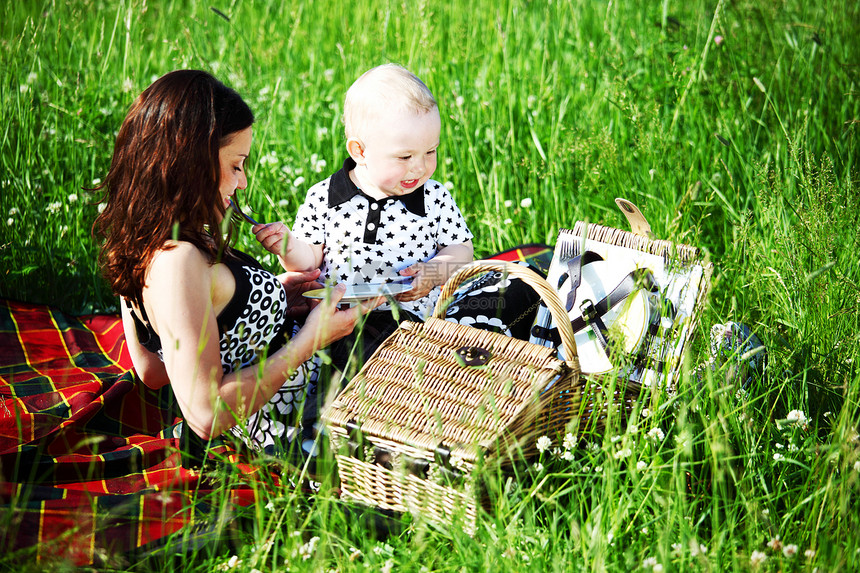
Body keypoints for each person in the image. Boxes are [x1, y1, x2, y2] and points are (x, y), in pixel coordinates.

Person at [93, 69, 381, 466]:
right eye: (236, 165)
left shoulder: (145, 239)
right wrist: (309, 342)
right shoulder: (177, 262)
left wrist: (273, 298)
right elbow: (206, 414)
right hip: (298, 417)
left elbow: (153, 370)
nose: (242, 182)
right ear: (189, 163)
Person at [254, 63, 474, 324]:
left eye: (430, 151)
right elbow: (308, 263)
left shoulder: (434, 197)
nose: (420, 166)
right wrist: (286, 247)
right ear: (360, 151)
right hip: (337, 324)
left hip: (414, 326)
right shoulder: (325, 197)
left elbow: (462, 250)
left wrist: (434, 272)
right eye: (405, 156)